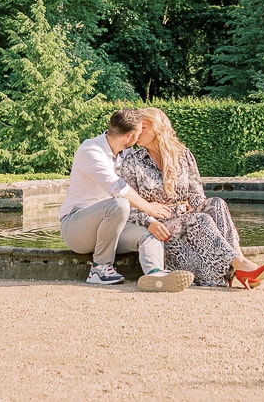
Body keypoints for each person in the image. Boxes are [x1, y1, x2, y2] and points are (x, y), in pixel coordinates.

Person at [118, 107, 264, 288]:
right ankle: (240, 267)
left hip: (187, 218)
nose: (136, 132)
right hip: (160, 225)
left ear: (157, 128)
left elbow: (196, 195)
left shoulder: (183, 155)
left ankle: (238, 262)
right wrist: (149, 221)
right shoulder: (132, 161)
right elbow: (129, 202)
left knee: (216, 204)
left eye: (142, 127)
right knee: (199, 219)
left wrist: (213, 221)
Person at [58, 109, 195, 292]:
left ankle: (155, 275)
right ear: (129, 136)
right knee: (119, 204)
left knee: (149, 233)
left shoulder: (125, 154)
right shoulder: (90, 151)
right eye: (139, 133)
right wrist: (149, 209)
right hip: (76, 228)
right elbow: (118, 188)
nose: (140, 139)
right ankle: (100, 269)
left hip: (112, 227)